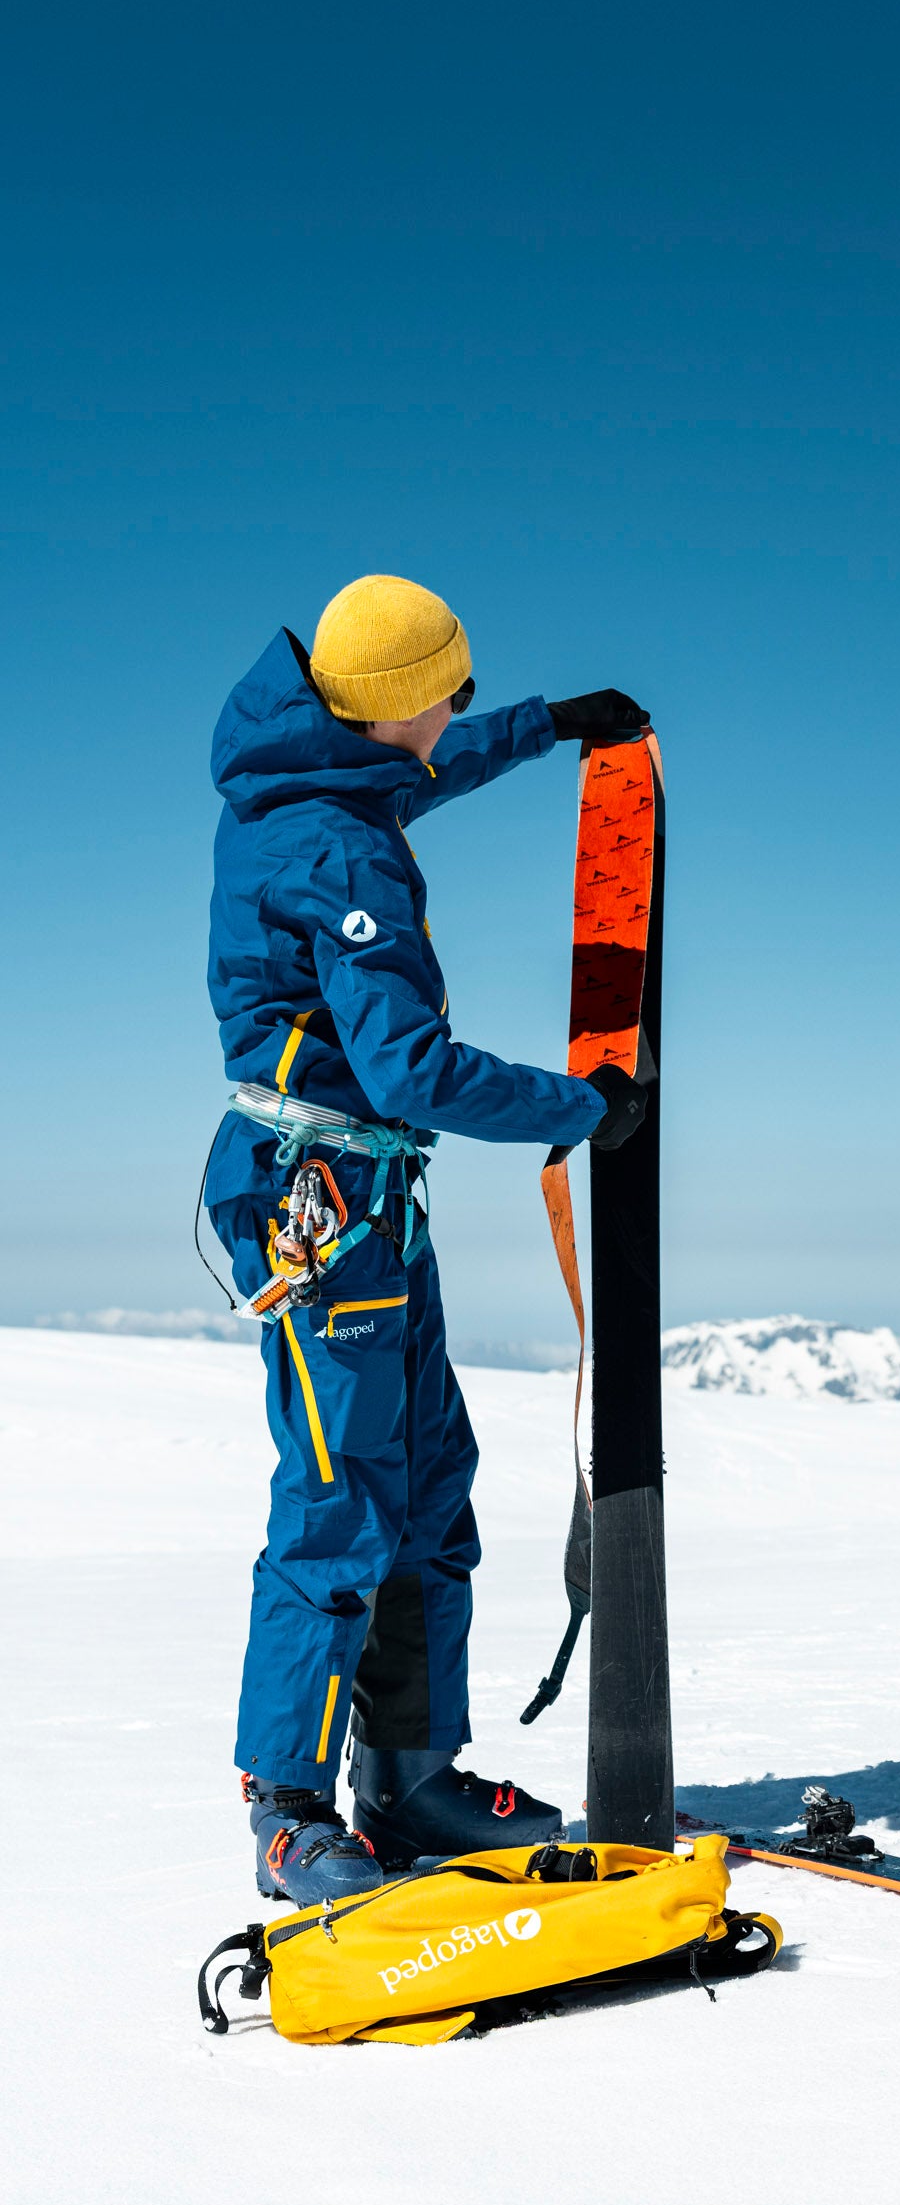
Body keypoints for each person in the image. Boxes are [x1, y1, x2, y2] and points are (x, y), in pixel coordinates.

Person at [204, 574, 648, 1902]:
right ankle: (289, 1812)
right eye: (452, 690)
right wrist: (586, 1108)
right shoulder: (341, 853)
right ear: (401, 701)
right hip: (318, 1206)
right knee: (341, 1503)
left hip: (369, 1198)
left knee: (429, 1481)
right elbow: (409, 1069)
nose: (459, 709)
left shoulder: (317, 779)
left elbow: (426, 770)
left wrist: (545, 725)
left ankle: (407, 1779)